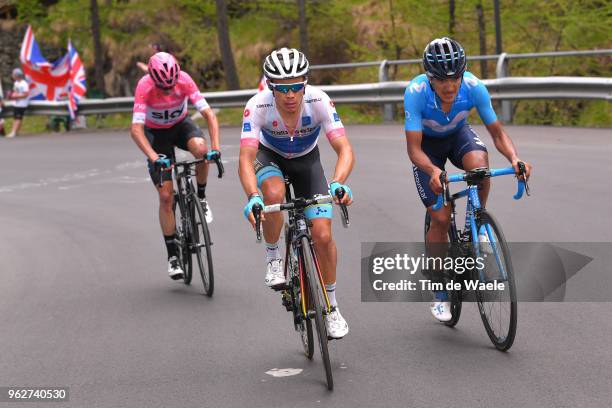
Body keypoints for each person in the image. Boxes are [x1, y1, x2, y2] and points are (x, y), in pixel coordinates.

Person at [404, 37, 532, 322]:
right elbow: (413, 149)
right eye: (441, 80)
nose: (450, 86)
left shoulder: (474, 87)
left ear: (463, 74)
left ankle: (478, 222)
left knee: (480, 166)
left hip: (458, 136)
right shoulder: (415, 92)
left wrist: (514, 159)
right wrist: (433, 172)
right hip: (427, 149)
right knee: (440, 218)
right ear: (429, 77)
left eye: (455, 78)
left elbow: (497, 134)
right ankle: (439, 289)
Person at [239, 47, 355, 339]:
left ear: (305, 84)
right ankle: (273, 257)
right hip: (270, 156)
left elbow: (344, 148)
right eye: (282, 89)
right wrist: (253, 196)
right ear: (270, 86)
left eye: (296, 87)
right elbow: (245, 157)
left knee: (324, 235)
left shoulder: (319, 101)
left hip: (307, 160)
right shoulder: (258, 106)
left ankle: (332, 307)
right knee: (275, 194)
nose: (290, 95)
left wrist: (339, 182)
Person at [131, 52, 221, 280]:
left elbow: (209, 114)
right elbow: (136, 130)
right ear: (153, 78)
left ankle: (200, 196)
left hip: (180, 126)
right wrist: (153, 157)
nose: (169, 90)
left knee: (202, 151)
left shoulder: (184, 79)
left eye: (171, 85)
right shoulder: (144, 86)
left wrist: (215, 148)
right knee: (165, 197)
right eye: (164, 87)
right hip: (156, 135)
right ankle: (172, 256)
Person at [6, 68, 30, 138]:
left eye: (13, 74)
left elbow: (26, 94)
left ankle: (13, 132)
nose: (12, 76)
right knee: (15, 118)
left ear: (17, 75)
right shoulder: (16, 83)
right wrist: (11, 95)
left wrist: (16, 96)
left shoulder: (24, 84)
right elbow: (15, 91)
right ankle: (15, 132)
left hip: (22, 104)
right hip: (16, 103)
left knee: (18, 118)